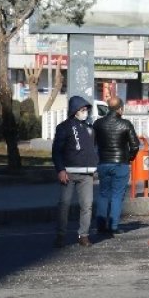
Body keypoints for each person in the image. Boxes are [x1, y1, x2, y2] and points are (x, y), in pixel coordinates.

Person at [52, 95, 100, 248]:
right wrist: (60, 169)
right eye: (82, 109)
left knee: (87, 205)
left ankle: (84, 235)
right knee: (64, 204)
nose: (85, 112)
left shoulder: (89, 128)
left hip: (87, 174)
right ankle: (61, 235)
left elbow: (92, 149)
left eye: (86, 109)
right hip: (68, 172)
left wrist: (94, 168)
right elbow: (56, 151)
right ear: (75, 111)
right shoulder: (64, 127)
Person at [93, 97, 140, 235]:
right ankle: (113, 226)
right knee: (117, 195)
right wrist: (129, 157)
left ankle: (101, 225)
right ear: (120, 108)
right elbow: (135, 145)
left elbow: (92, 142)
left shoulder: (98, 123)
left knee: (103, 194)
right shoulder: (125, 124)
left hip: (103, 162)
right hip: (121, 163)